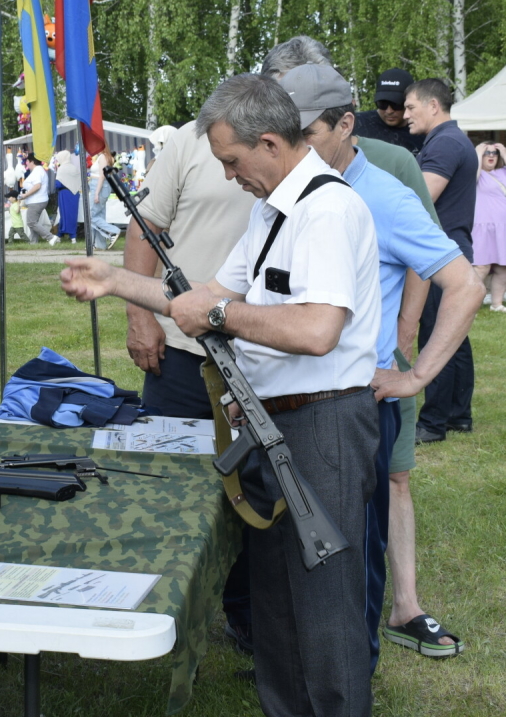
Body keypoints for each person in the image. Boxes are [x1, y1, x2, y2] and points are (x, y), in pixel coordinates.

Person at [62, 72, 381, 717]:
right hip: (275, 423)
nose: (230, 177)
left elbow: (317, 329)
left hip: (322, 425)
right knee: (277, 600)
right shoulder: (275, 211)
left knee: (323, 608)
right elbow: (202, 297)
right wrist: (118, 280)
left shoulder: (325, 210)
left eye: (233, 162)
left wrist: (219, 316)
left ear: (269, 143)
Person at [278, 63, 480, 669]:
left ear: (345, 125)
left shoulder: (383, 196)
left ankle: (352, 674)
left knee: (351, 557)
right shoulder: (292, 189)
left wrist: (414, 373)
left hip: (356, 408)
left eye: (306, 134)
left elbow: (463, 284)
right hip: (297, 403)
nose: (292, 148)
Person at [123, 122, 254, 419]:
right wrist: (140, 315)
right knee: (168, 459)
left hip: (273, 358)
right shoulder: (192, 137)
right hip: (183, 348)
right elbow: (145, 225)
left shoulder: (306, 148)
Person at [403, 78, 478, 445]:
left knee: (437, 336)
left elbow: (421, 197)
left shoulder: (445, 142)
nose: (404, 116)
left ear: (434, 106)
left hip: (440, 253)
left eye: (410, 107)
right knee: (455, 337)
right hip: (453, 247)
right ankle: (458, 416)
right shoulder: (449, 139)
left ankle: (433, 423)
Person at [471, 141, 506, 314]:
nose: (490, 156)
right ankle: (467, 303)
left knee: (504, 266)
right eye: (486, 153)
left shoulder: (504, 172)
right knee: (481, 267)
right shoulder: (477, 173)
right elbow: (469, 176)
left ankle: (497, 303)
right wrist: (476, 153)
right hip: (482, 226)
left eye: (494, 153)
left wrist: (505, 153)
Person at [353, 67, 426, 155]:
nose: (389, 111)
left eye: (396, 104)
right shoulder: (355, 123)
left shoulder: (422, 131)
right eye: (382, 104)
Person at [18, 153, 59, 244]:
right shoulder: (37, 171)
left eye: (27, 161)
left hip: (36, 201)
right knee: (34, 222)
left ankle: (51, 237)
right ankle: (33, 242)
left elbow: (37, 186)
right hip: (37, 200)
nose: (26, 164)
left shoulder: (38, 171)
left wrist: (25, 195)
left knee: (31, 222)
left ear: (32, 161)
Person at [87, 148, 120, 249]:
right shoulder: (105, 157)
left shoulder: (103, 157)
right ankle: (100, 244)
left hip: (98, 185)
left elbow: (102, 176)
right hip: (99, 185)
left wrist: (96, 193)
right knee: (99, 216)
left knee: (92, 216)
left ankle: (113, 231)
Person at [51, 146, 82, 241]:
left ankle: (62, 234)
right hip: (75, 193)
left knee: (64, 214)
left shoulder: (62, 168)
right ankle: (72, 236)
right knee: (72, 214)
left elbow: (58, 184)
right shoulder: (74, 168)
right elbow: (78, 181)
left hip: (64, 194)